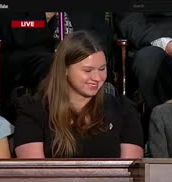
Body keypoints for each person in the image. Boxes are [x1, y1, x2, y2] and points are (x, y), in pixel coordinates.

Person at [14, 31, 144, 158]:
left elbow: (130, 171)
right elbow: (34, 173)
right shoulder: (33, 111)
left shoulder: (123, 110)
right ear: (64, 69)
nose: (97, 77)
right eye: (87, 70)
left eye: (102, 69)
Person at [0, 12, 113, 123]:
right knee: (55, 65)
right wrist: (45, 16)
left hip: (82, 56)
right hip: (33, 58)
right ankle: (61, 123)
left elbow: (102, 37)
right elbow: (12, 31)